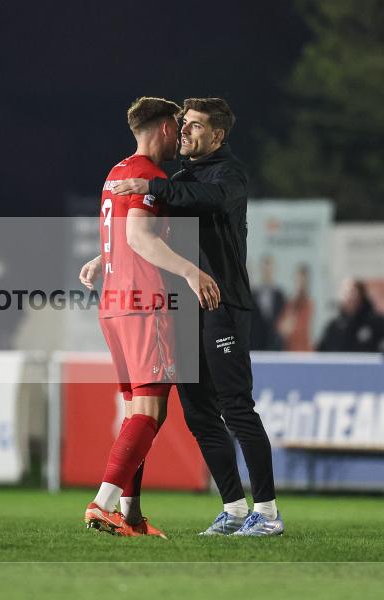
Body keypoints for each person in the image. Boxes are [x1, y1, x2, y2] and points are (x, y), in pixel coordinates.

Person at [101, 97, 283, 536]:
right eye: (183, 124)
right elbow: (150, 229)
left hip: (222, 302)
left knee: (237, 408)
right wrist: (100, 256)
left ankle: (269, 513)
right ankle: (235, 508)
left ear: (218, 135)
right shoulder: (178, 179)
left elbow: (211, 199)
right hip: (185, 308)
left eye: (196, 126)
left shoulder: (228, 174)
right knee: (199, 414)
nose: (185, 131)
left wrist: (153, 187)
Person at [79, 97, 220, 539]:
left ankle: (132, 515)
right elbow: (140, 236)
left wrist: (101, 259)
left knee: (136, 411)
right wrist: (191, 271)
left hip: (113, 303)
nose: (180, 135)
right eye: (177, 126)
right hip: (144, 303)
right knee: (152, 411)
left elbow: (122, 231)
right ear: (162, 128)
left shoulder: (116, 172)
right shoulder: (150, 176)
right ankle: (101, 504)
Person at [317, 278, 384, 352]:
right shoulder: (333, 326)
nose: (349, 297)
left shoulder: (377, 323)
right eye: (345, 293)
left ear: (361, 295)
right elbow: (321, 353)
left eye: (353, 292)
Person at [250, 255, 286, 350]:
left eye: (269, 268)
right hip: (256, 344)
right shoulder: (253, 295)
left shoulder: (280, 295)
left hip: (275, 344)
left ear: (273, 269)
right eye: (265, 269)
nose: (267, 272)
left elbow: (283, 320)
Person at [277, 263, 313, 351]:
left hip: (304, 351)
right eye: (297, 280)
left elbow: (301, 330)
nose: (300, 284)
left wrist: (290, 327)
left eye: (302, 281)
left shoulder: (309, 303)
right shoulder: (289, 303)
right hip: (289, 351)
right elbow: (280, 328)